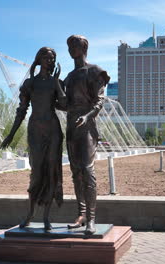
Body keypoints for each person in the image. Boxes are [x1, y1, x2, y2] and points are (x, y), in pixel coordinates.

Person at [0, 47, 66, 231]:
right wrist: (11, 134)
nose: (50, 60)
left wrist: (57, 84)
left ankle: (46, 217)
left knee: (52, 171)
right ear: (39, 59)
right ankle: (30, 214)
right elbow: (21, 110)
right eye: (46, 57)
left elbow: (64, 104)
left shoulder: (56, 82)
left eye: (53, 58)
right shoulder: (30, 84)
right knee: (36, 174)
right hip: (36, 131)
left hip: (53, 130)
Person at [64, 35, 110, 235]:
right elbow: (64, 104)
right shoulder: (69, 77)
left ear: (84, 48)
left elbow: (99, 101)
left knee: (87, 170)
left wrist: (86, 116)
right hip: (71, 127)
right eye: (69, 46)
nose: (71, 49)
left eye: (75, 45)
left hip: (87, 126)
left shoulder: (94, 71)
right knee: (76, 173)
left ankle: (91, 219)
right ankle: (81, 214)